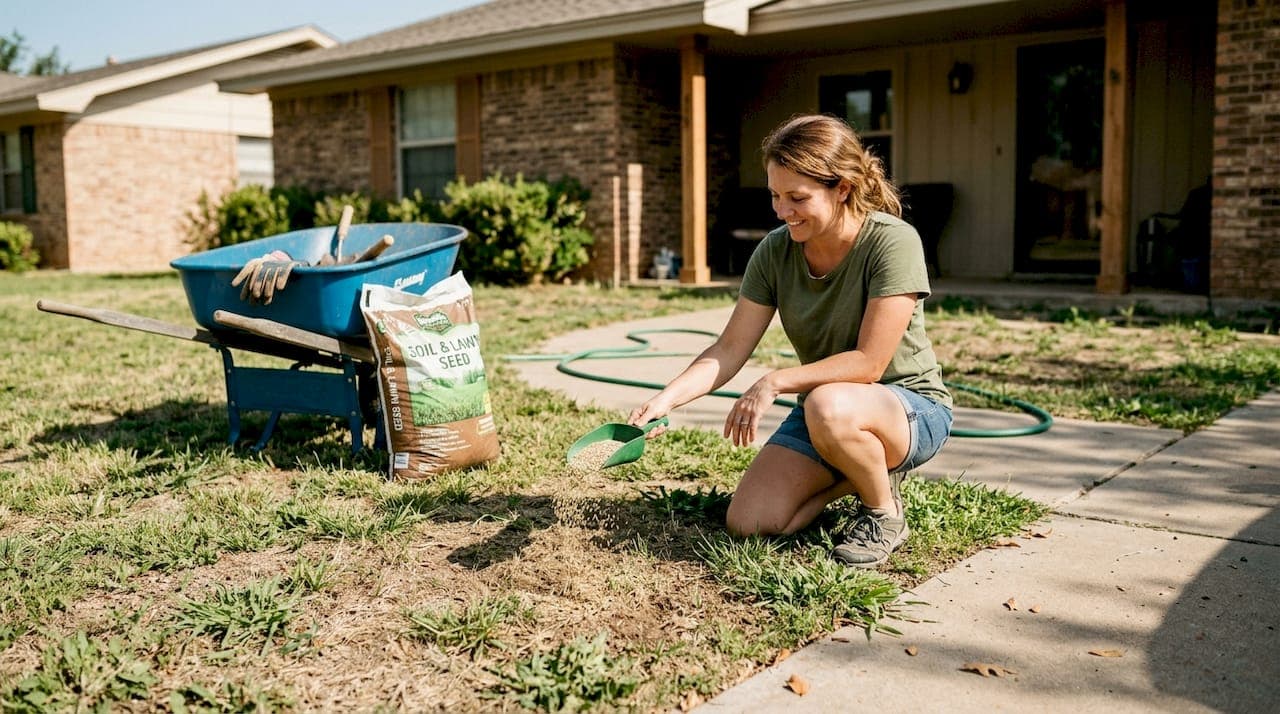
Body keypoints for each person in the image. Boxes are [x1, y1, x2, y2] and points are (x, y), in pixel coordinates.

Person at [628, 113, 953, 568]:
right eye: (776, 196)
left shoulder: (892, 242)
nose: (782, 211)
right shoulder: (775, 251)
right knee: (752, 521)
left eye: (797, 197)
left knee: (825, 404)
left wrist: (776, 381)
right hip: (831, 411)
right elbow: (729, 348)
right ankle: (863, 471)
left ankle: (883, 511)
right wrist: (666, 399)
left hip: (908, 409)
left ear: (842, 188)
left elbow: (869, 364)